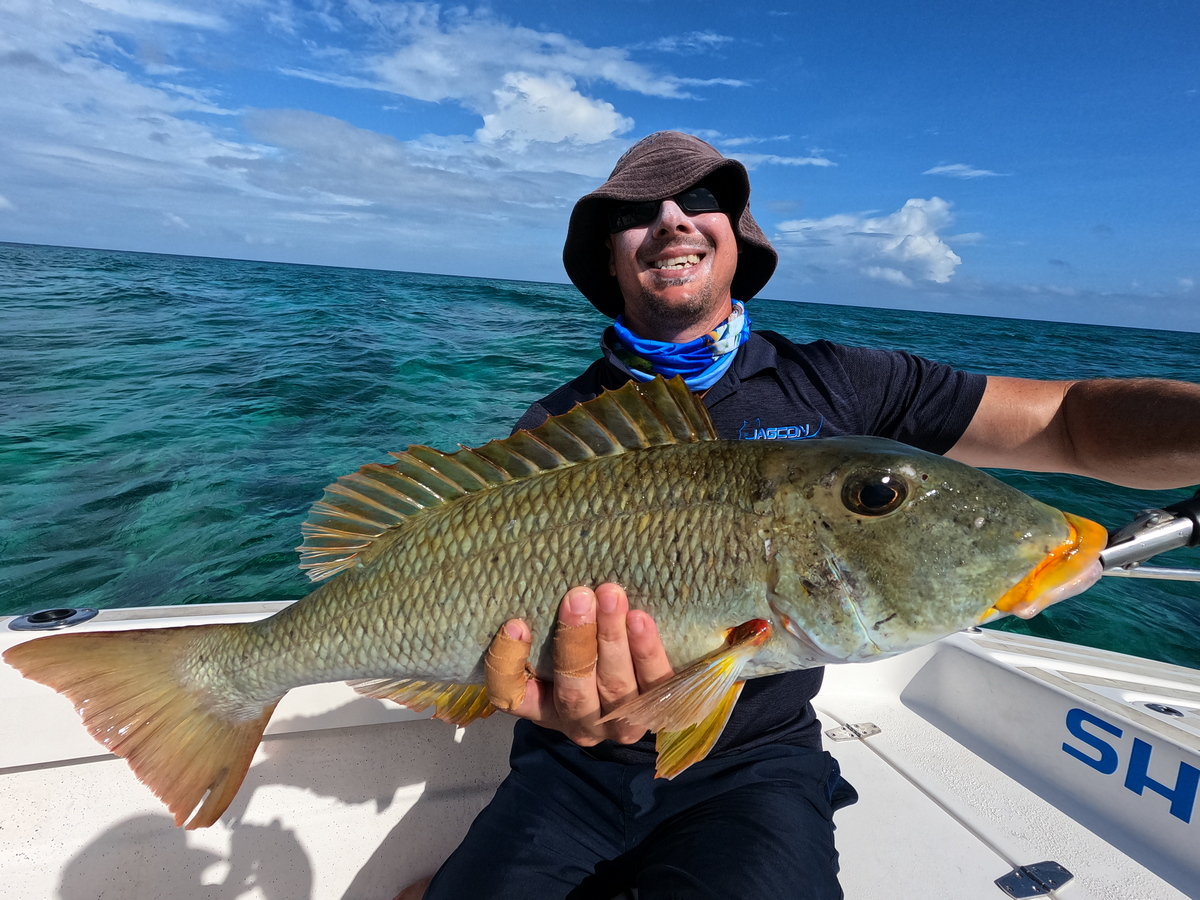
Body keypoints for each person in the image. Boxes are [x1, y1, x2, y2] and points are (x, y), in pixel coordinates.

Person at [409, 132, 1200, 899]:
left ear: (735, 235)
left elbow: (1065, 421)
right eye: (634, 213)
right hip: (569, 771)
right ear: (610, 257)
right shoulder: (554, 429)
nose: (673, 220)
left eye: (701, 197)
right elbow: (503, 645)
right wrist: (538, 698)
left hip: (756, 767)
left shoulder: (842, 386)